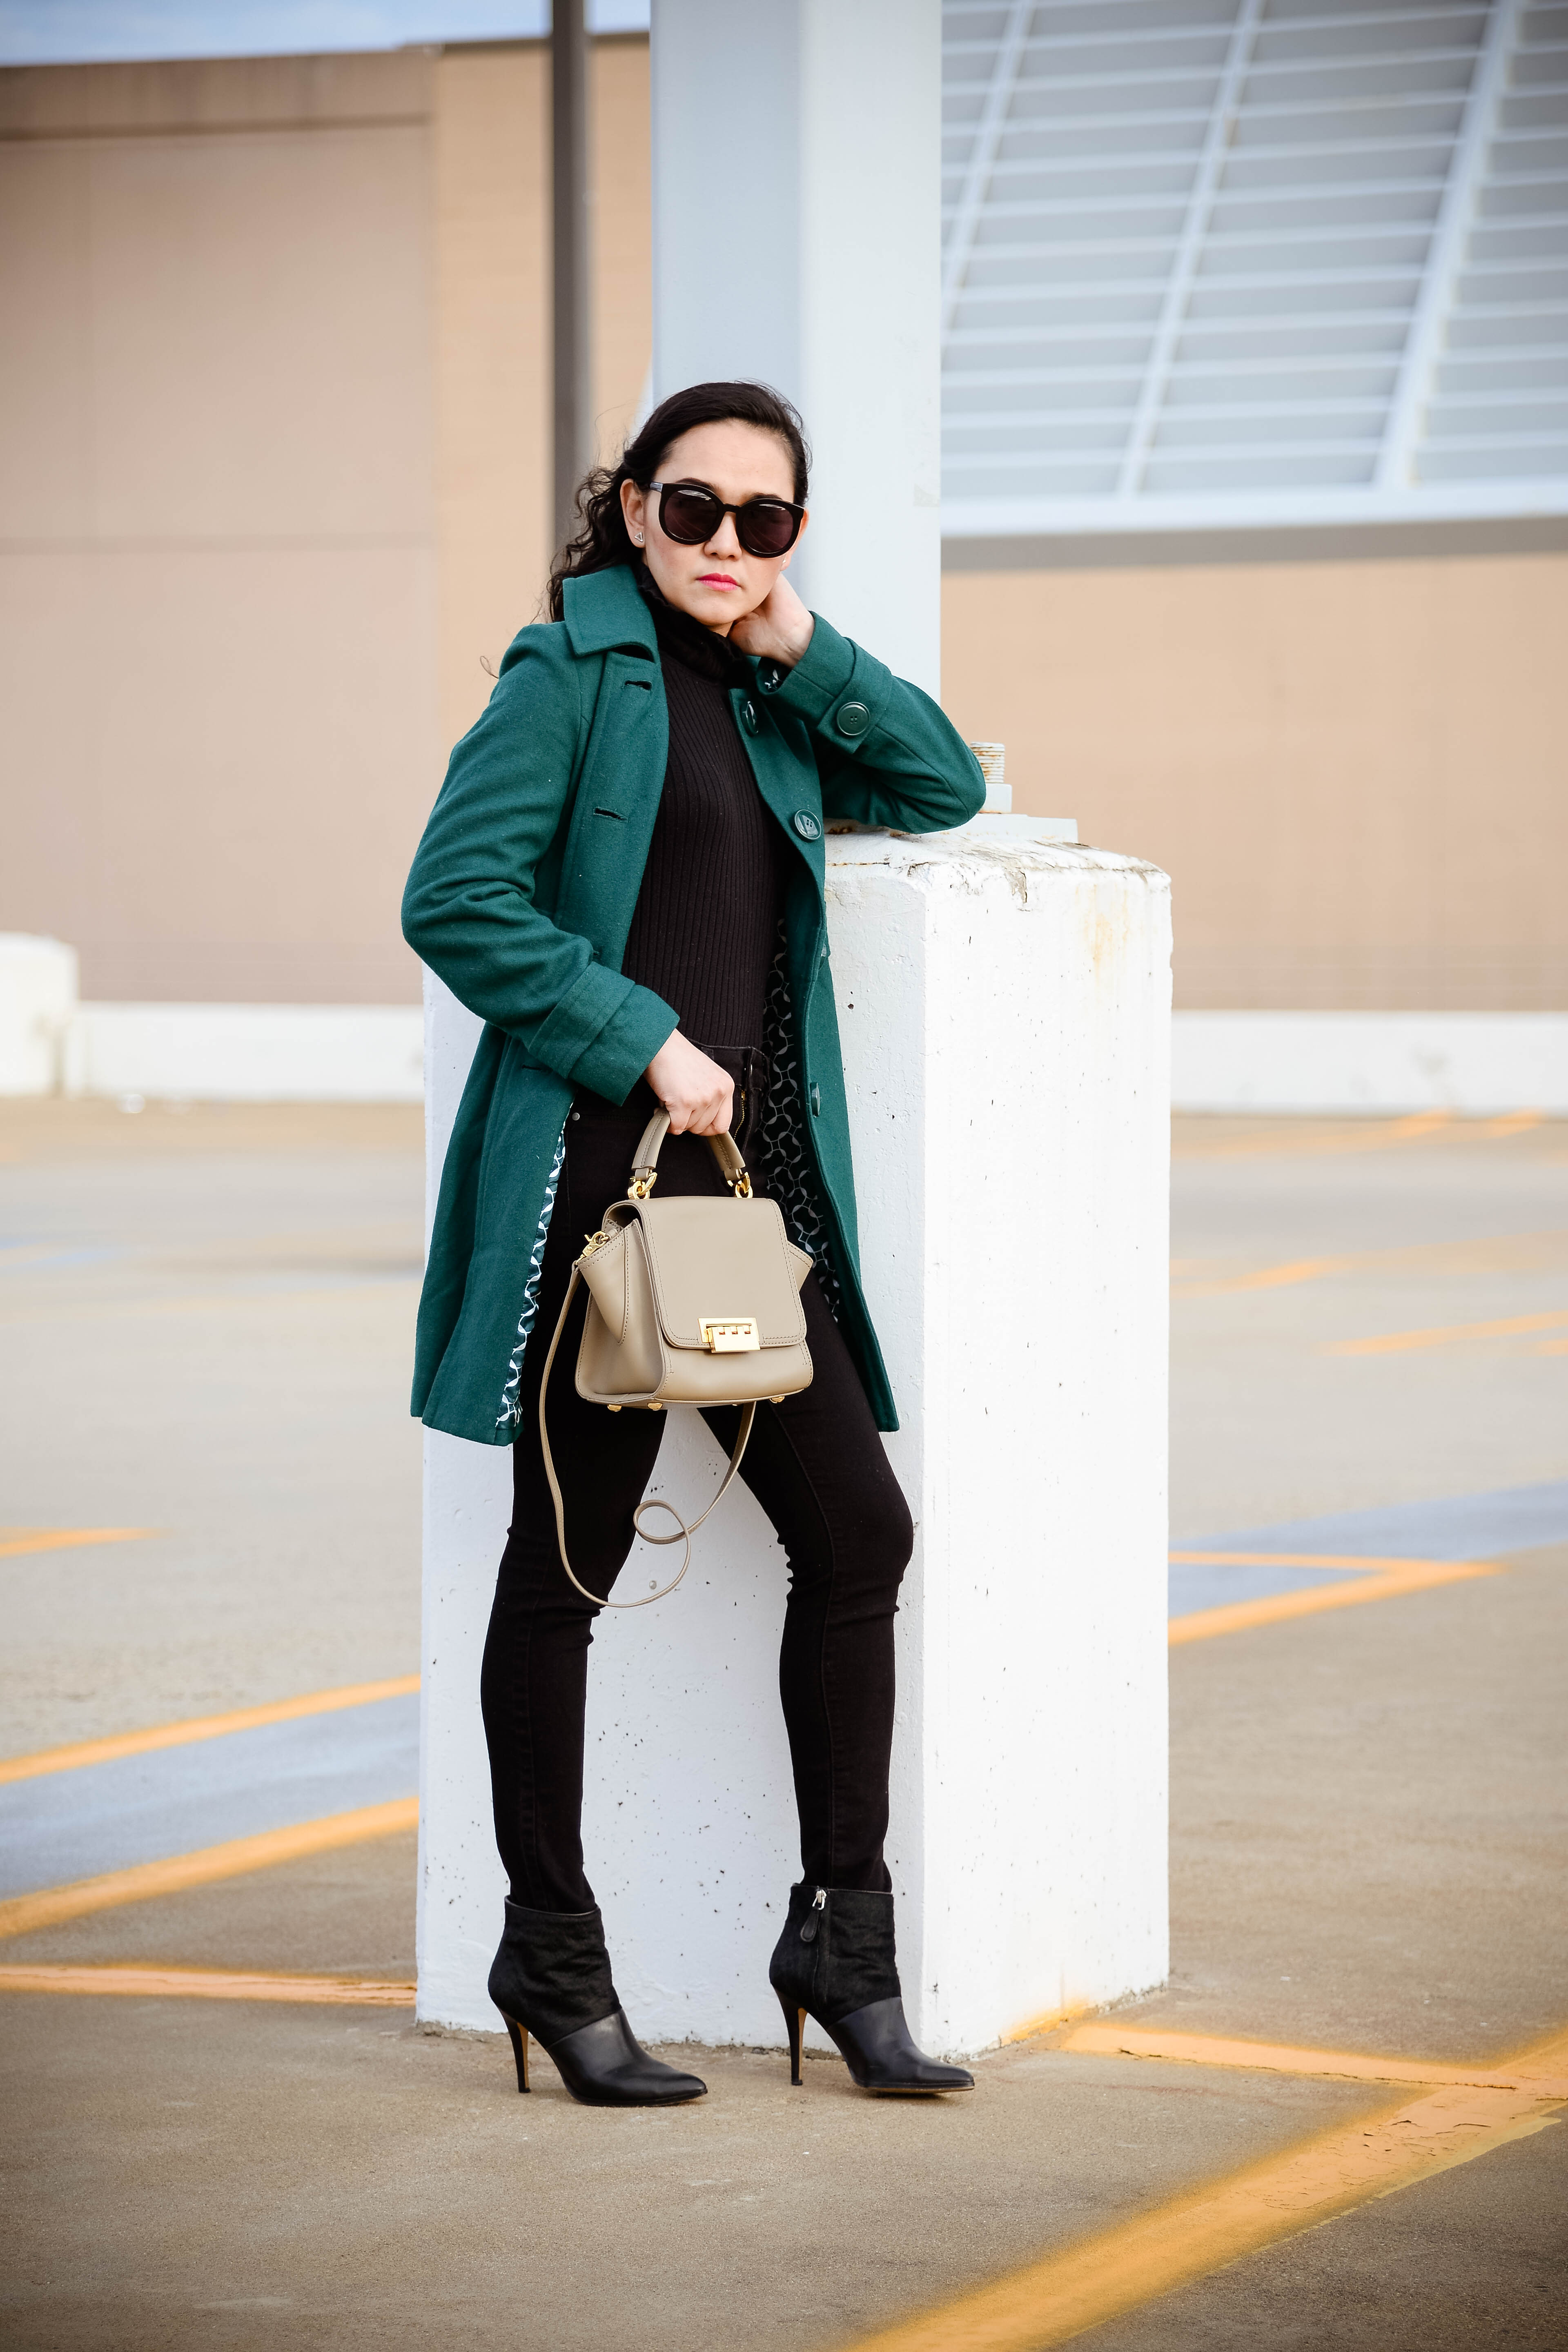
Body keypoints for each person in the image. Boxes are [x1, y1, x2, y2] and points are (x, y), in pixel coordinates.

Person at [402, 381, 984, 2107]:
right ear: (632, 505)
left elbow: (941, 784)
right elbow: (456, 896)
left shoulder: (771, 690)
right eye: (696, 508)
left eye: (767, 520)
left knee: (859, 1535)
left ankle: (841, 1941)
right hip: (602, 1187)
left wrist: (805, 636)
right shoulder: (567, 672)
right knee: (562, 1571)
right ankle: (556, 1954)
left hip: (745, 1210)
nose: (726, 543)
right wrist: (639, 1034)